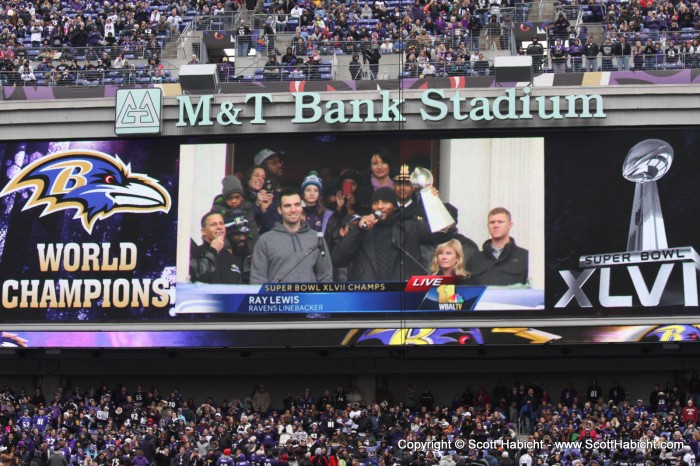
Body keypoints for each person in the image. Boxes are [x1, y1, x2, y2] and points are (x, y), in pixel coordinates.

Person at [332, 187, 448, 282]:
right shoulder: (362, 231)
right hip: (369, 299)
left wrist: (434, 203)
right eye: (375, 203)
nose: (380, 206)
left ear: (394, 206)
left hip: (402, 298)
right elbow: (338, 259)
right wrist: (358, 229)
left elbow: (444, 233)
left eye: (385, 202)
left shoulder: (410, 227)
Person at [250, 188, 332, 283]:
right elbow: (257, 280)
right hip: (277, 297)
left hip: (309, 298)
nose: (293, 210)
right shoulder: (265, 240)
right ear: (280, 210)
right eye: (287, 206)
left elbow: (325, 277)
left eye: (297, 205)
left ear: (302, 207)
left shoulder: (316, 238)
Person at [467, 207, 528, 286]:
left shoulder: (525, 257)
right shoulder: (475, 260)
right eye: (492, 222)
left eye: (500, 222)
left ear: (510, 225)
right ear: (488, 226)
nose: (496, 225)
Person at [189, 211, 243, 284]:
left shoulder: (233, 258)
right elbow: (198, 277)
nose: (219, 227)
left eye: (221, 223)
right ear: (203, 231)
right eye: (213, 224)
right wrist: (213, 250)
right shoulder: (196, 253)